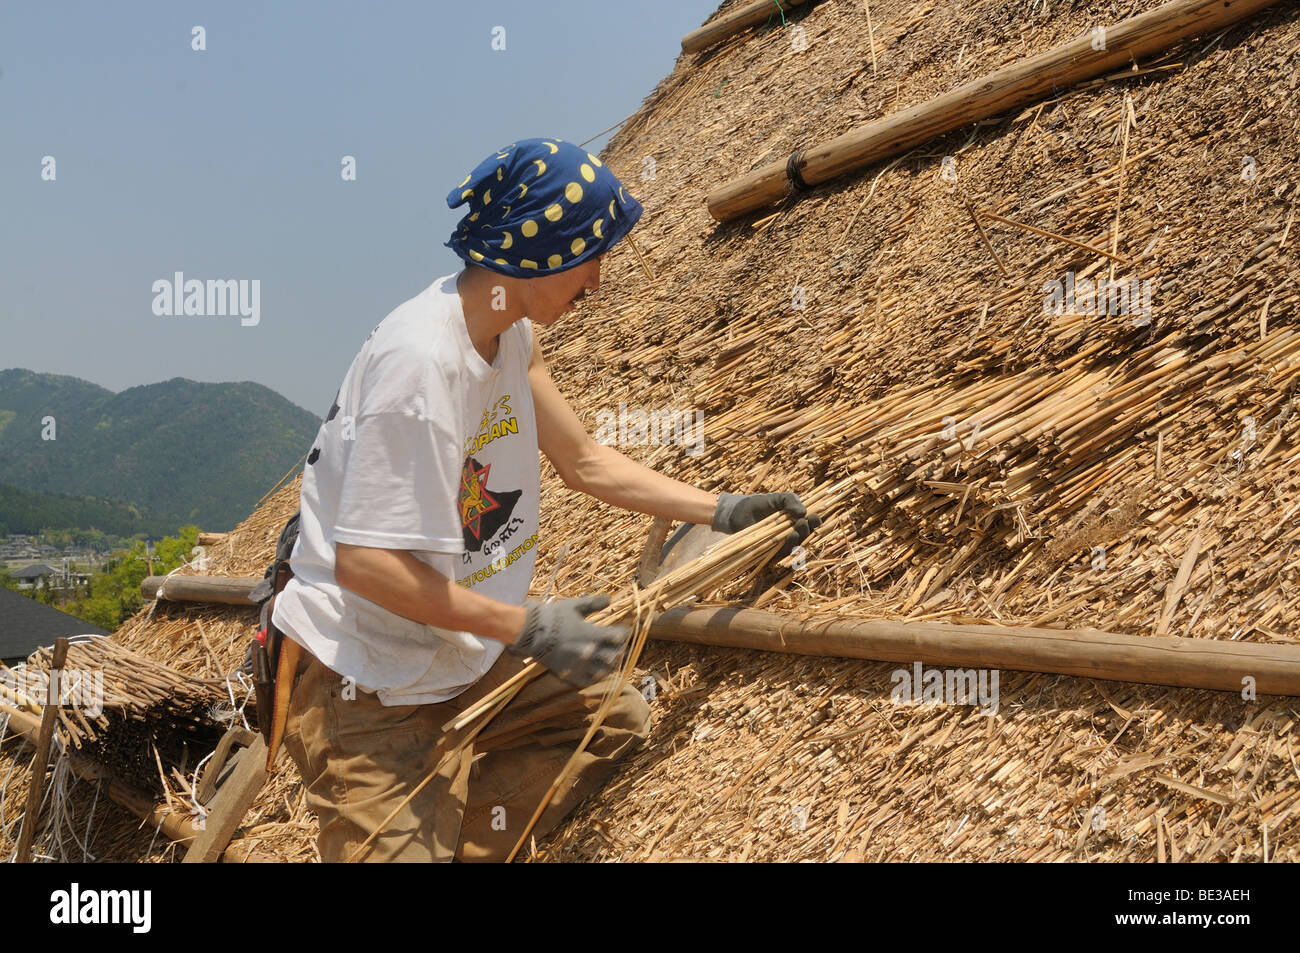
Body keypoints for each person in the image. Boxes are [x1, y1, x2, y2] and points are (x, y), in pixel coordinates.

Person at [271, 138, 819, 862]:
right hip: (368, 678)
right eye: (589, 257)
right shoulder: (421, 365)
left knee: (609, 716)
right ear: (538, 254)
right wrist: (527, 625)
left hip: (455, 648)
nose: (596, 282)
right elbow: (366, 565)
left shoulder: (509, 331)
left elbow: (583, 459)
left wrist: (718, 509)